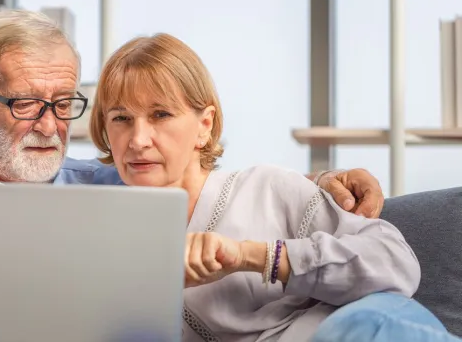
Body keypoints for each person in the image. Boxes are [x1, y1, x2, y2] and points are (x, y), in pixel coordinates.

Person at [0, 10, 385, 342]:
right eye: (25, 104)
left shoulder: (109, 188)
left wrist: (324, 183)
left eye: (64, 104)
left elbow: (199, 174)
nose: (49, 125)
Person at [88, 32, 461, 342]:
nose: (137, 140)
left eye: (160, 114)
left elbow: (396, 264)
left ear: (204, 125)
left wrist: (255, 257)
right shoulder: (105, 238)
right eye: (121, 118)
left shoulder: (265, 188)